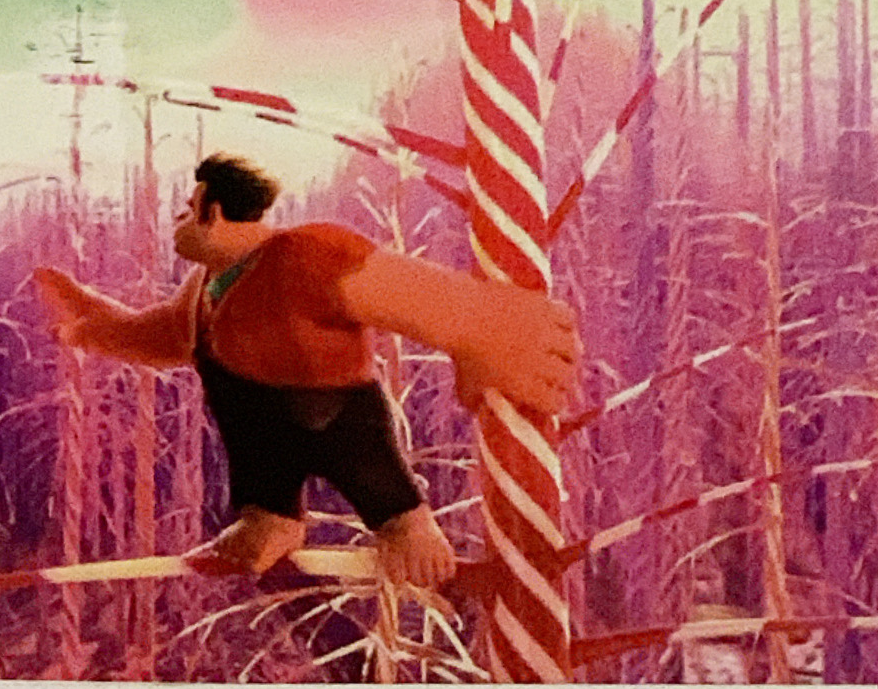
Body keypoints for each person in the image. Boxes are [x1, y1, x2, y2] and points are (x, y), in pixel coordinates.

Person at [33, 153, 581, 587]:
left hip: (339, 419)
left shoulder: (305, 254)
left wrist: (485, 328)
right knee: (259, 466)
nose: (177, 223)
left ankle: (405, 523)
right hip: (260, 430)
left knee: (373, 476)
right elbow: (160, 336)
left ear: (212, 212)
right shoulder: (203, 289)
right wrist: (90, 325)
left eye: (186, 209)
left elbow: (400, 292)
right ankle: (271, 518)